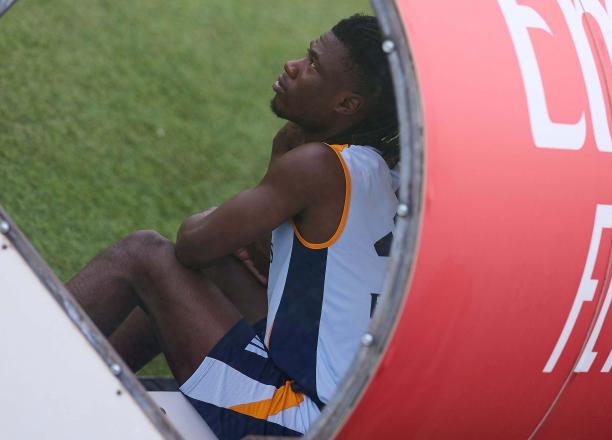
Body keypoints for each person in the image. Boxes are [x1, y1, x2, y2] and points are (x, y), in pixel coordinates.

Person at [67, 14, 400, 439]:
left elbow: (193, 243)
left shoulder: (317, 166)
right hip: (344, 409)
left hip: (302, 422)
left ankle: (25, 374)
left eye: (313, 64)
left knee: (144, 254)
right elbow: (259, 255)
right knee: (218, 270)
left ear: (347, 104)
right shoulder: (381, 171)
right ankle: (82, 384)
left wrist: (244, 195)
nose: (292, 65)